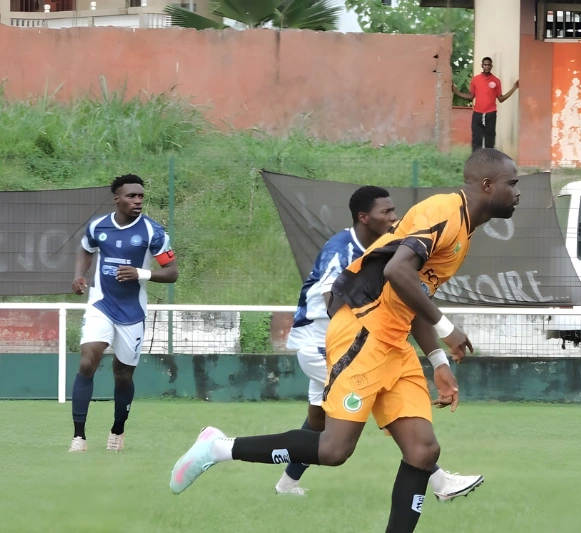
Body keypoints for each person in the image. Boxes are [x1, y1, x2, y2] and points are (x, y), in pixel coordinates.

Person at [169, 148, 520, 533]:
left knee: (423, 450)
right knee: (334, 450)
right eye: (512, 183)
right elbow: (396, 271)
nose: (518, 192)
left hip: (394, 341)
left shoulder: (462, 229)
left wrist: (438, 361)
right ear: (487, 185)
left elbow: (414, 290)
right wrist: (446, 327)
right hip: (364, 330)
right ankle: (218, 448)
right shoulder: (445, 212)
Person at [275, 185, 484, 501]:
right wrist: (363, 338)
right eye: (385, 212)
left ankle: (286, 483)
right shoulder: (341, 249)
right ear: (364, 217)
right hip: (326, 345)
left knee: (318, 422)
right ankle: (440, 482)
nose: (394, 217)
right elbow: (332, 300)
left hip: (334, 345)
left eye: (393, 210)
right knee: (388, 403)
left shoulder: (386, 247)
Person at [69, 174, 178, 453]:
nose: (138, 201)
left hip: (132, 312)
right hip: (101, 304)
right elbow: (85, 249)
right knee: (87, 361)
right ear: (117, 198)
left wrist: (141, 273)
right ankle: (78, 437)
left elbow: (172, 272)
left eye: (141, 196)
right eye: (131, 196)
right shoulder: (98, 226)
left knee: (123, 376)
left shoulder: (153, 232)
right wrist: (80, 276)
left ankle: (117, 430)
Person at [452, 56, 519, 152]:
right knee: (476, 140)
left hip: (490, 114)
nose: (487, 66)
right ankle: (476, 160)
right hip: (477, 113)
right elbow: (471, 96)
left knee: (490, 140)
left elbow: (501, 98)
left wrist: (514, 88)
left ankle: (489, 161)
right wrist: (456, 92)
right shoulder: (475, 80)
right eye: (485, 64)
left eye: (489, 65)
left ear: (491, 66)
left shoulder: (496, 81)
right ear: (482, 66)